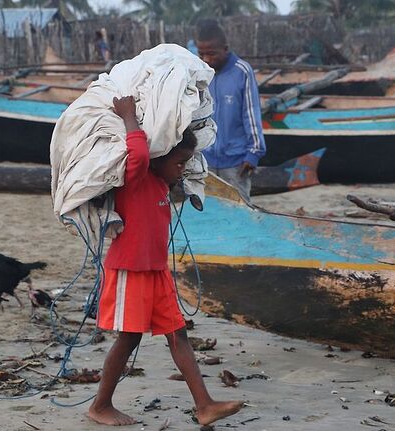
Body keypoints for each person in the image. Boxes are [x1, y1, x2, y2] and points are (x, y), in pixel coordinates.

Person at [87, 95, 244, 427]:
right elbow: (140, 152)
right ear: (158, 159)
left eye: (185, 163)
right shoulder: (137, 178)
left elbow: (170, 163)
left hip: (156, 273)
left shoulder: (160, 183)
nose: (182, 168)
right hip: (130, 270)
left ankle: (205, 405)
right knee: (129, 338)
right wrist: (129, 116)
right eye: (178, 162)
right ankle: (100, 405)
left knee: (178, 334)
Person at [196, 19, 266, 200]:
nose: (206, 59)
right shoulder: (199, 72)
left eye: (211, 54)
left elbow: (251, 114)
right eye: (201, 54)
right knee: (209, 213)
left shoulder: (242, 72)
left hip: (237, 162)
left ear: (225, 49)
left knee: (241, 210)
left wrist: (254, 154)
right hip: (206, 160)